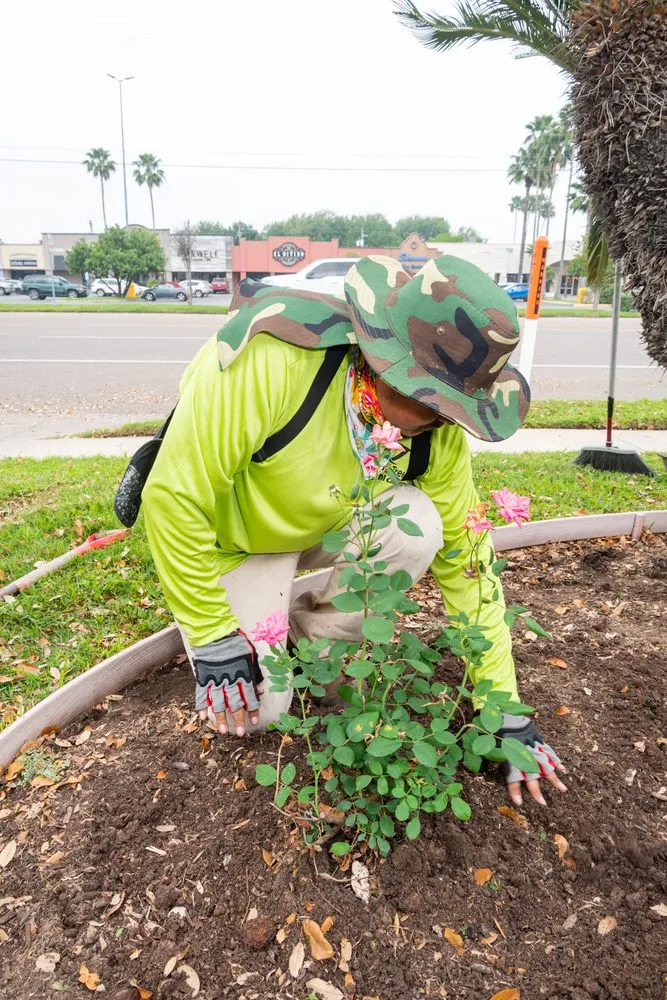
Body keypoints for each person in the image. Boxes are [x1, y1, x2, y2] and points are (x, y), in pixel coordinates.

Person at [142, 254, 567, 808]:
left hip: (327, 520)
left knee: (419, 523)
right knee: (263, 713)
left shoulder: (437, 432)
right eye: (430, 402)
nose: (440, 421)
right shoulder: (275, 358)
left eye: (452, 409)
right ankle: (255, 628)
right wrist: (213, 635)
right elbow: (173, 497)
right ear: (383, 356)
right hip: (235, 540)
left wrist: (502, 707)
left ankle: (312, 644)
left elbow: (467, 558)